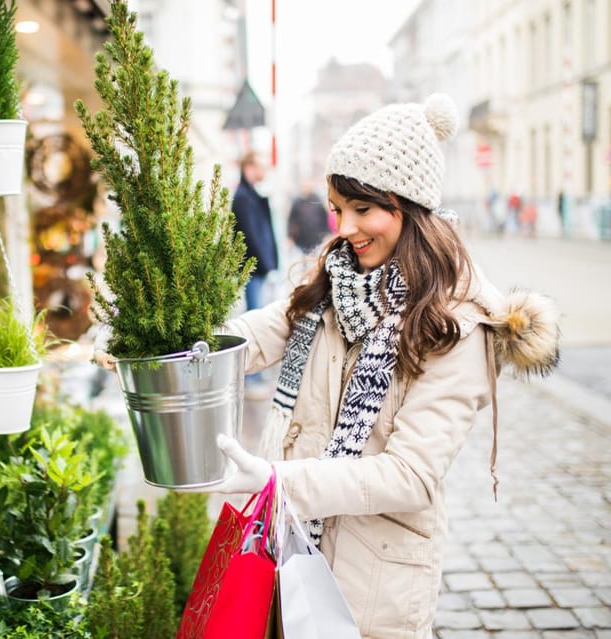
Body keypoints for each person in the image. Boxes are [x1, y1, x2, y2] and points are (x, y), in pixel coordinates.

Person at [191, 95, 559, 637]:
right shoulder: (333, 279)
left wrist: (277, 478)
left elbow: (410, 475)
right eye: (339, 209)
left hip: (372, 582)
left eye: (364, 209)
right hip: (291, 549)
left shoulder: (455, 322)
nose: (345, 228)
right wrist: (172, 344)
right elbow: (256, 334)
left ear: (409, 207)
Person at [231, 151, 278, 312]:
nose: (264, 171)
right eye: (261, 167)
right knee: (254, 314)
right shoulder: (243, 198)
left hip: (257, 267)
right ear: (248, 168)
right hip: (253, 268)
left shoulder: (251, 195)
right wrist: (265, 264)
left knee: (258, 312)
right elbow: (250, 236)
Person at [287, 179, 330, 254]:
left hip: (316, 237)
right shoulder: (297, 202)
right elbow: (292, 220)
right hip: (302, 238)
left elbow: (324, 217)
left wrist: (327, 232)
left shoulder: (316, 199)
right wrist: (290, 236)